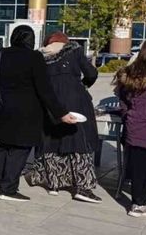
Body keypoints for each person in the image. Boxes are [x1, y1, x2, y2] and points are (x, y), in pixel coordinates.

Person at [0, 25, 76, 202]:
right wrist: (61, 113)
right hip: (27, 111)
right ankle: (8, 189)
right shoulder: (34, 57)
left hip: (2, 108)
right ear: (31, 40)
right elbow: (45, 89)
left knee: (5, 145)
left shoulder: (0, 54)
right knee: (20, 148)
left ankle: (0, 184)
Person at [27, 32, 100, 202]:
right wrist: (83, 85)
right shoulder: (74, 51)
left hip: (50, 102)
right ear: (65, 42)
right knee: (79, 141)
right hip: (75, 101)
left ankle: (54, 183)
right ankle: (83, 187)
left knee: (52, 140)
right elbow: (91, 73)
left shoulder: (40, 56)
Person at [114, 38, 146, 217]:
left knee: (139, 168)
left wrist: (127, 115)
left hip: (136, 127)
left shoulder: (130, 73)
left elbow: (122, 100)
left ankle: (138, 204)